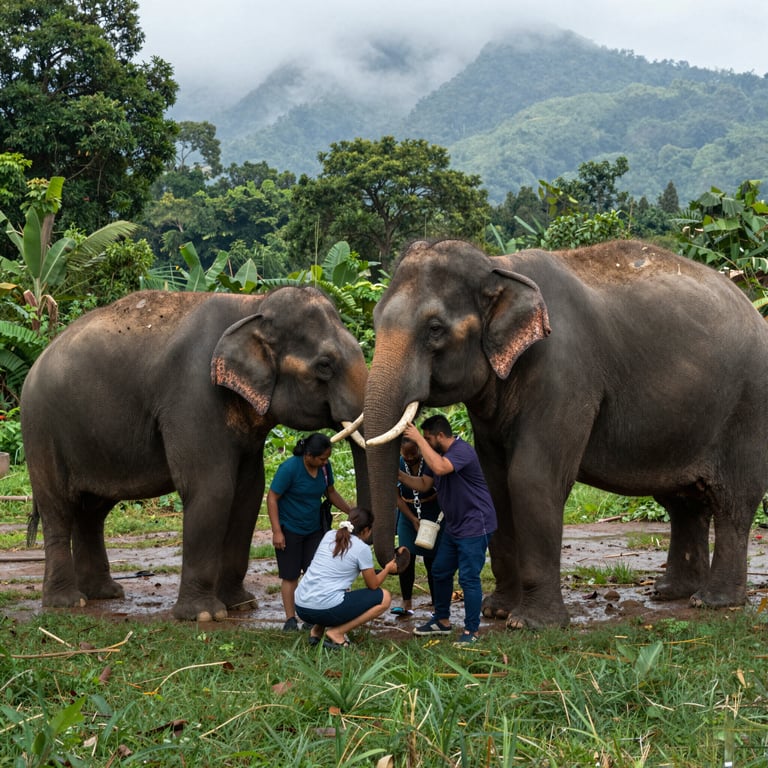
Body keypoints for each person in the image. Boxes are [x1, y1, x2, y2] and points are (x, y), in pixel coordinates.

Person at [400, 414, 497, 644]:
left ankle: (471, 631)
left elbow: (441, 468)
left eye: (426, 438)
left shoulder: (461, 451)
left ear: (440, 436)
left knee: (469, 578)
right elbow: (424, 484)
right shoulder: (438, 455)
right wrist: (397, 475)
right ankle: (441, 621)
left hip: (475, 524)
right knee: (440, 570)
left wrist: (416, 438)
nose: (423, 442)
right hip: (454, 526)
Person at [267, 432, 353, 631]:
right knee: (290, 575)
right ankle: (290, 619)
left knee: (314, 573)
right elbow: (272, 498)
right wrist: (276, 531)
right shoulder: (289, 468)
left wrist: (351, 511)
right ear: (308, 455)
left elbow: (330, 492)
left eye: (327, 458)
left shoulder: (324, 469)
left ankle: (311, 616)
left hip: (314, 529)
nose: (326, 462)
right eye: (322, 458)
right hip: (290, 529)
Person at [295, 507, 400, 648]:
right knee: (384, 597)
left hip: (301, 606)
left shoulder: (330, 535)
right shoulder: (362, 548)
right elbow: (373, 585)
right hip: (322, 608)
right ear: (366, 530)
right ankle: (337, 633)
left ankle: (316, 632)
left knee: (335, 590)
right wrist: (387, 569)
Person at [391, 436, 443, 615]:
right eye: (406, 454)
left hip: (431, 511)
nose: (410, 457)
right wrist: (412, 518)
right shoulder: (397, 463)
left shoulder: (429, 461)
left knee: (432, 558)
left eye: (414, 453)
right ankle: (406, 603)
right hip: (407, 513)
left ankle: (437, 603)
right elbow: (396, 496)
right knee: (405, 555)